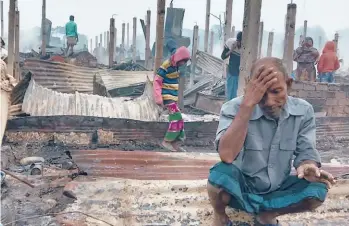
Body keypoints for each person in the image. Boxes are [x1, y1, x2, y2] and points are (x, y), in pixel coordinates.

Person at [207, 57, 336, 226]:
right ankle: (220, 216)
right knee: (219, 176)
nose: (268, 102)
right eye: (261, 94)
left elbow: (306, 151)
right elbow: (227, 155)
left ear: (288, 85)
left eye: (276, 92)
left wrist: (307, 164)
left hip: (278, 189)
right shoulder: (233, 108)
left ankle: (268, 214)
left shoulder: (303, 111)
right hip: (241, 190)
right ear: (250, 87)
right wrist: (248, 105)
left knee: (318, 188)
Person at [153, 46, 191, 152]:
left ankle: (175, 143)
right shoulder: (166, 65)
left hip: (172, 97)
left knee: (179, 119)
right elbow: (157, 81)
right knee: (176, 117)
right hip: (166, 96)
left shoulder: (175, 66)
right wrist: (158, 98)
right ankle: (167, 141)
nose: (183, 64)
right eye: (183, 61)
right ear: (179, 58)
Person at [221, 32, 242, 100]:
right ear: (237, 40)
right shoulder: (230, 42)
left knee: (237, 92)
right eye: (239, 42)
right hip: (231, 70)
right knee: (230, 91)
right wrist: (231, 50)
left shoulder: (246, 47)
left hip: (240, 71)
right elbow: (223, 56)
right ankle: (228, 105)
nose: (240, 44)